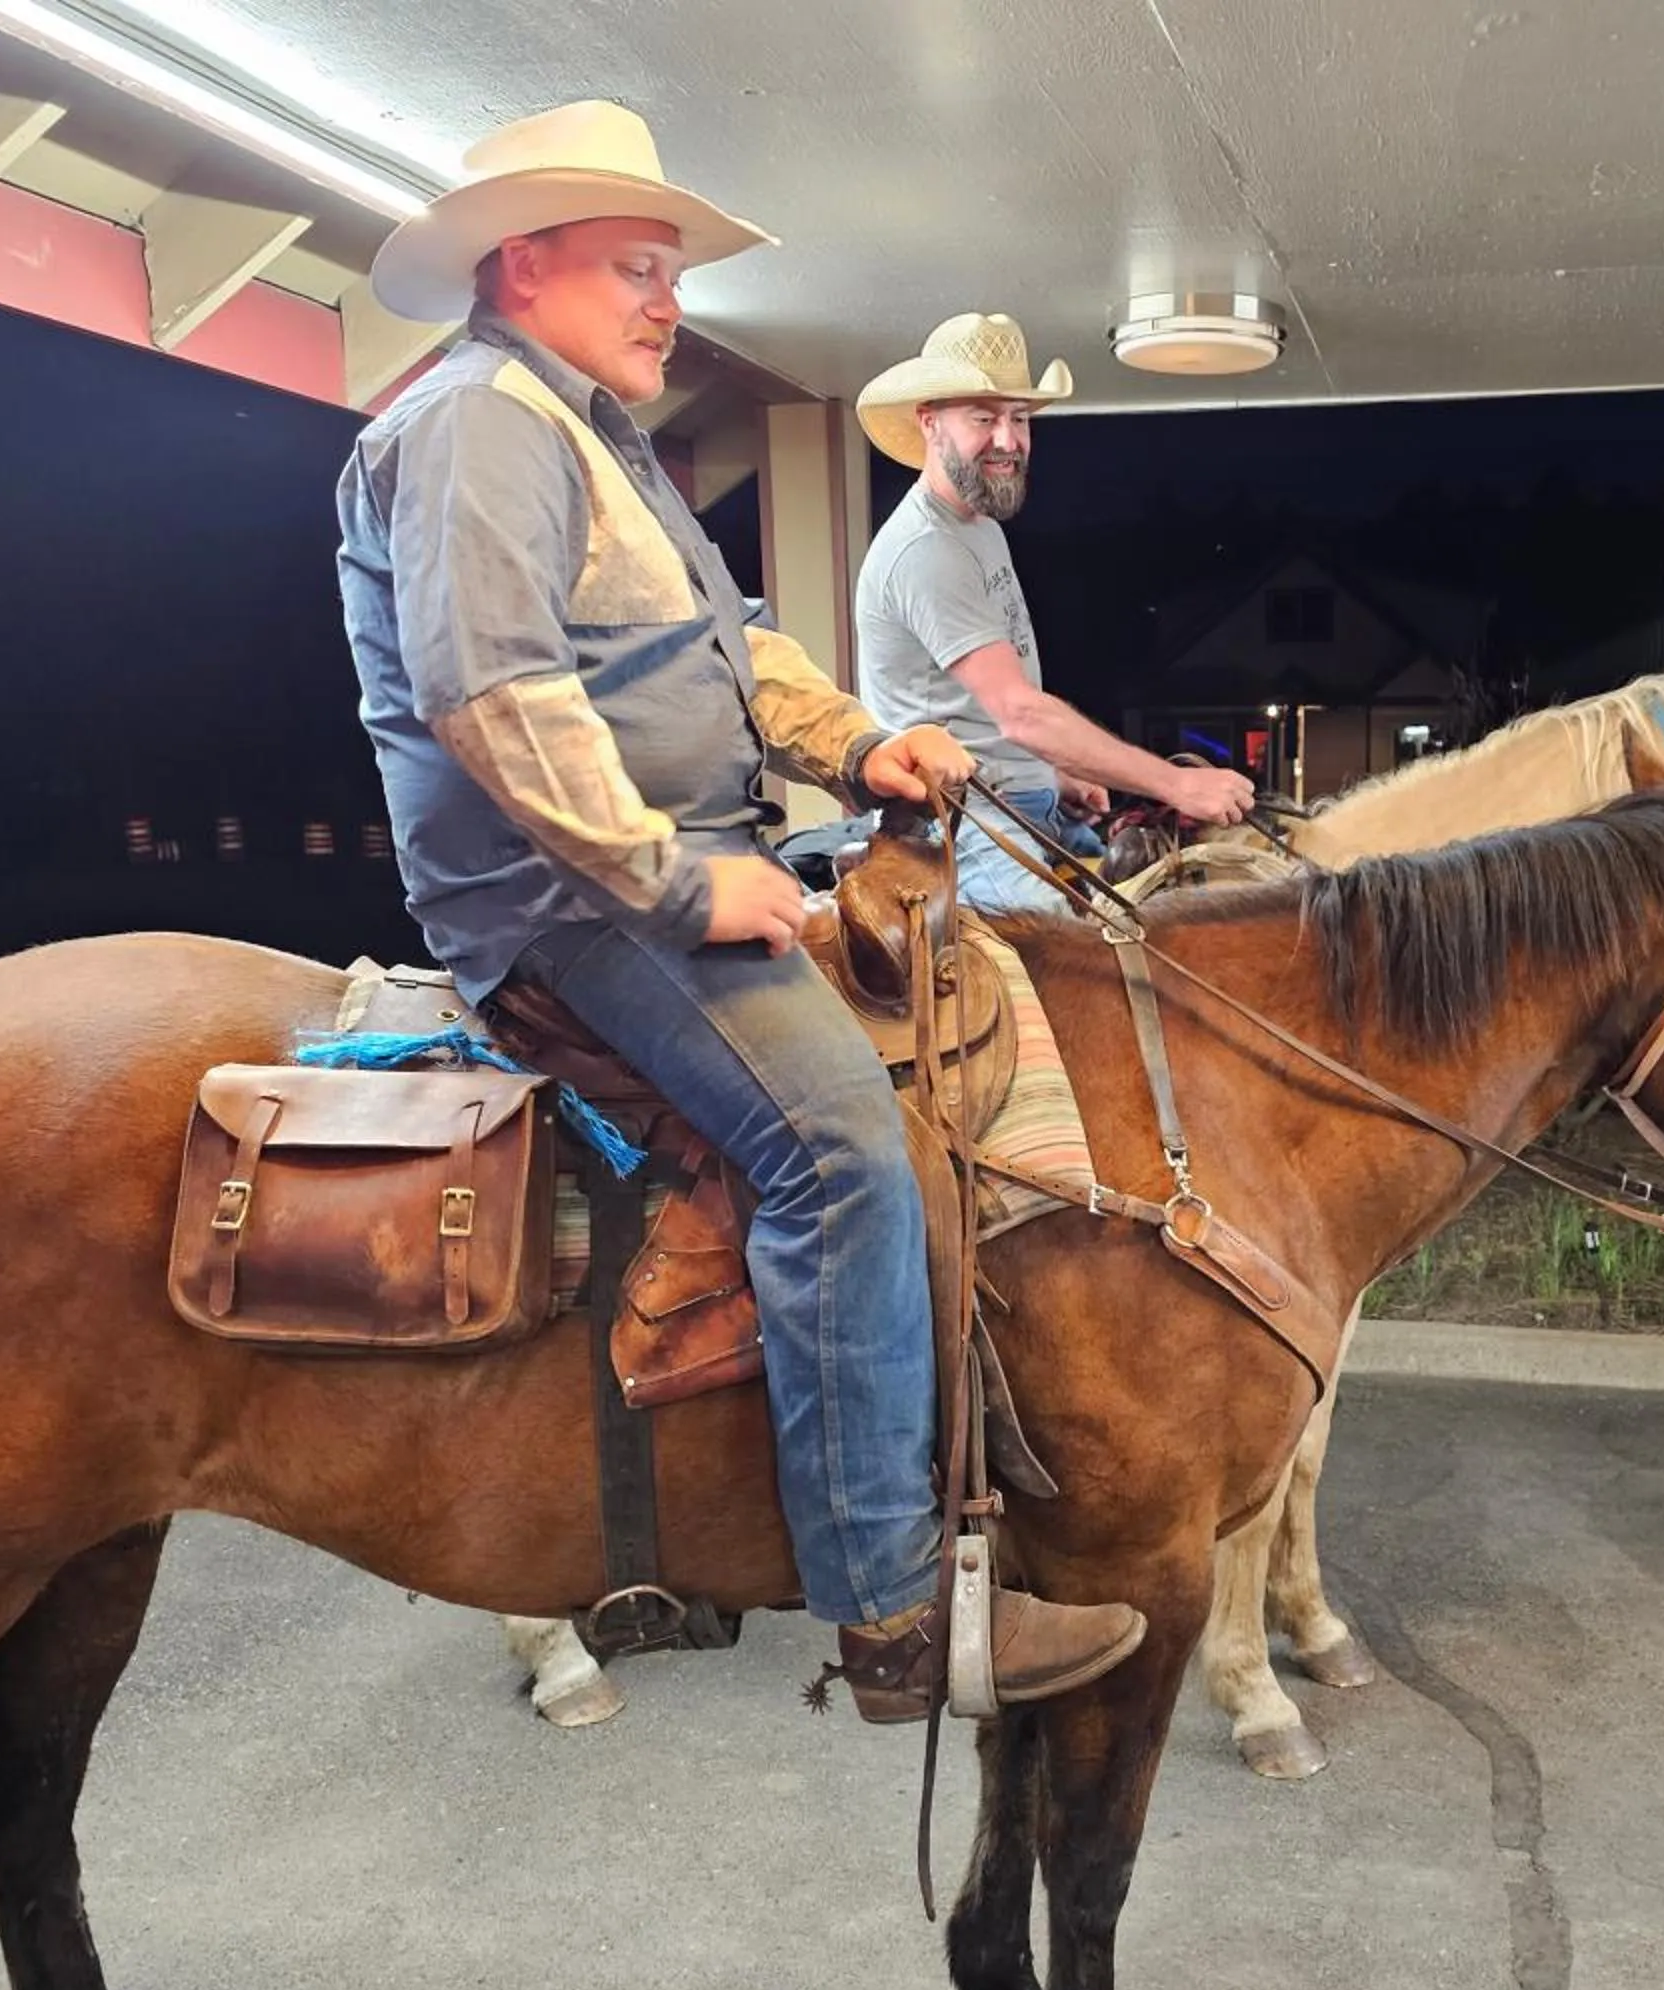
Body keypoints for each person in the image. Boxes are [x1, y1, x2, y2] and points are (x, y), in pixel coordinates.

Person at [336, 100, 1144, 1721]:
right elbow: (493, 700)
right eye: (638, 266)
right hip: (561, 903)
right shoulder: (476, 424)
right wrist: (686, 878)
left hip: (647, 862)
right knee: (838, 1145)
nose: (668, 300)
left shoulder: (595, 433)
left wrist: (865, 741)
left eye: (672, 270)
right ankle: (896, 1613)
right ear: (526, 264)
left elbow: (738, 647)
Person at [852, 314, 1255, 913]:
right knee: (1084, 985)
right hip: (962, 826)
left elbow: (984, 715)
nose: (1008, 440)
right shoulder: (927, 550)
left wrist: (1052, 775)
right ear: (930, 423)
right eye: (983, 418)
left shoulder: (977, 525)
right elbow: (1020, 714)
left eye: (1018, 418)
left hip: (1015, 801)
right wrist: (1179, 784)